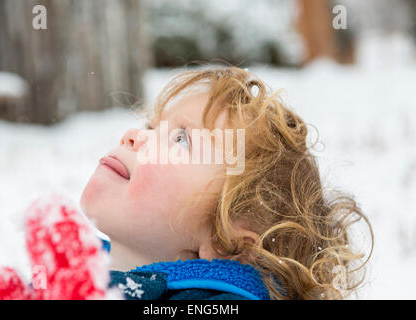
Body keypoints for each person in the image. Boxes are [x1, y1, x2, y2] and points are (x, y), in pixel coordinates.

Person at [80, 66, 373, 300]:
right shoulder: (75, 264)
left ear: (225, 242)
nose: (132, 135)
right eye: (151, 127)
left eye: (180, 139)